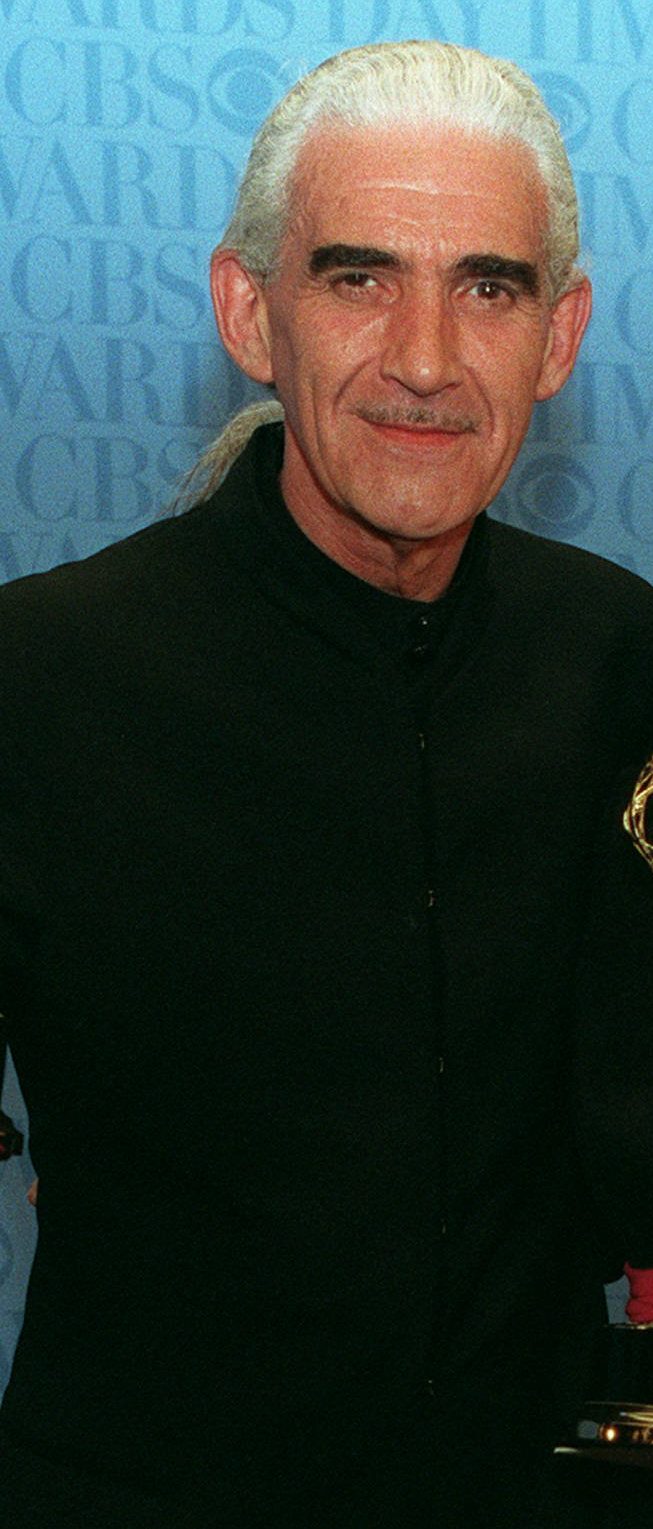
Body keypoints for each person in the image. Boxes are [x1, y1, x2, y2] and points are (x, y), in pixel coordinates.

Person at [0, 38, 652, 1529]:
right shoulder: (36, 681)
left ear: (559, 336)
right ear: (251, 312)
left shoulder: (623, 661)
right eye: (360, 277)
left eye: (488, 288)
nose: (425, 358)